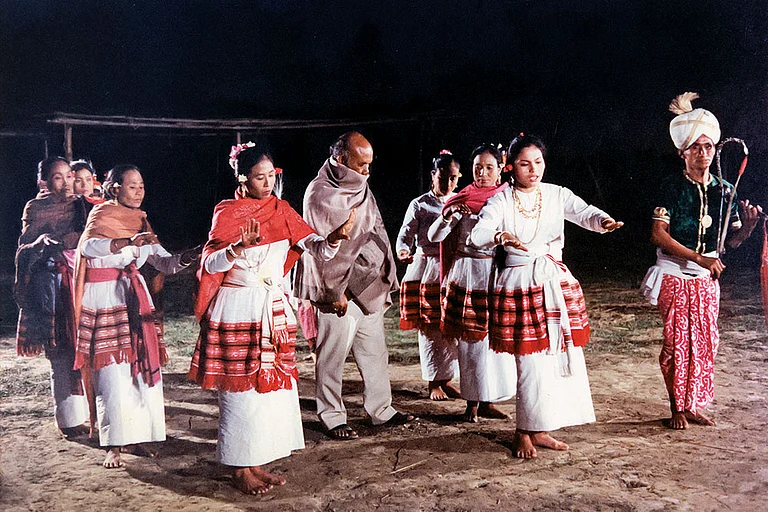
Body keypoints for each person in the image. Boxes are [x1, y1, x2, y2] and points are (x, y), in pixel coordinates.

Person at [188, 143, 355, 495]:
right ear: (242, 178)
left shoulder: (282, 210)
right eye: (259, 177)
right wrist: (236, 249)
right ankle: (238, 467)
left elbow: (314, 247)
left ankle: (255, 460)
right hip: (237, 307)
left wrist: (335, 238)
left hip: (271, 307)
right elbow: (211, 265)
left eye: (270, 176)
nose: (267, 183)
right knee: (240, 390)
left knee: (265, 390)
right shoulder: (228, 213)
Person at [470, 134, 623, 458]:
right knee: (529, 362)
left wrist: (603, 221)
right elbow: (478, 233)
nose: (533, 169)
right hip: (519, 284)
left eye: (538, 162)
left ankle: (540, 427)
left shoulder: (555, 194)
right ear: (511, 167)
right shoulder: (501, 200)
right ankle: (522, 432)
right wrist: (499, 235)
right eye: (525, 164)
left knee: (553, 360)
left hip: (552, 282)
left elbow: (584, 212)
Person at [641, 93, 762, 430]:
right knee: (678, 342)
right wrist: (698, 257)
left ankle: (692, 403)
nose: (703, 154)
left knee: (705, 342)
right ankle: (677, 406)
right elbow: (658, 234)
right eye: (695, 147)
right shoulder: (671, 186)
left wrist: (749, 227)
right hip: (675, 274)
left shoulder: (726, 190)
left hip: (707, 276)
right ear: (683, 152)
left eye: (708, 147)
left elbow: (732, 242)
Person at [73, 164, 197, 469]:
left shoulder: (141, 220)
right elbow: (89, 247)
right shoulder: (101, 215)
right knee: (112, 373)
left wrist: (188, 257)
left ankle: (138, 433)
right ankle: (113, 443)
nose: (139, 191)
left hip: (134, 297)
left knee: (139, 369)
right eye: (132, 186)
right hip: (105, 298)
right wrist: (126, 243)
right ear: (115, 188)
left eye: (142, 186)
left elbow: (164, 262)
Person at [294, 131, 415, 441]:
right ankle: (331, 415)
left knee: (375, 352)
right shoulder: (318, 193)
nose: (366, 172)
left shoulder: (362, 188)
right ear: (340, 159)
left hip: (367, 284)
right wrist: (338, 291)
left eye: (369, 166)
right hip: (337, 292)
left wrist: (373, 272)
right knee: (332, 356)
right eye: (360, 165)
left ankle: (381, 410)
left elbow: (374, 232)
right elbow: (323, 252)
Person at [428, 144, 517, 422]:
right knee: (470, 342)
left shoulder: (507, 198)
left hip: (496, 273)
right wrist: (449, 216)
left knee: (494, 340)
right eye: (478, 167)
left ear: (500, 170)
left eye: (489, 167)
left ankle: (489, 399)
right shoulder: (461, 199)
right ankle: (472, 402)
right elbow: (434, 236)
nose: (483, 173)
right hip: (467, 272)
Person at [14, 157, 90, 437]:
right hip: (52, 287)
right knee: (59, 351)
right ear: (44, 182)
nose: (67, 181)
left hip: (81, 282)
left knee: (83, 347)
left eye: (69, 175)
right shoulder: (35, 208)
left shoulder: (83, 206)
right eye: (57, 177)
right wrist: (39, 244)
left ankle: (89, 413)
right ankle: (69, 420)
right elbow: (24, 248)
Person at [397, 150, 462, 400]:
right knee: (430, 327)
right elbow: (406, 232)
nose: (448, 183)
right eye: (443, 177)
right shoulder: (420, 203)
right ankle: (433, 381)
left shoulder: (460, 201)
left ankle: (447, 379)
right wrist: (403, 249)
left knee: (451, 327)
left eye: (453, 178)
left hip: (453, 268)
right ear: (433, 175)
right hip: (428, 267)